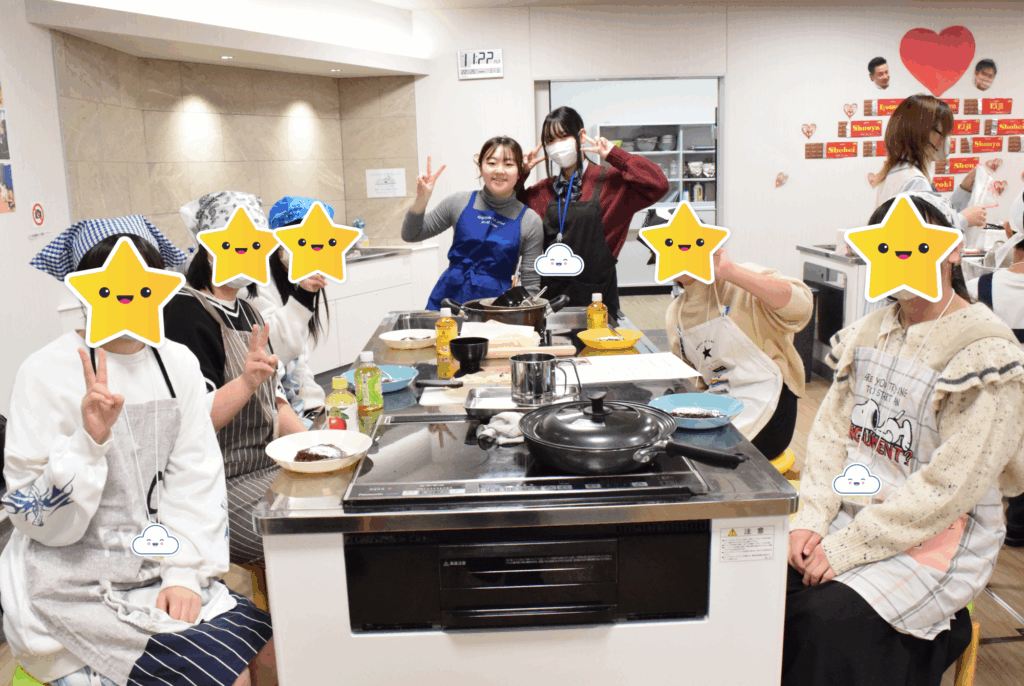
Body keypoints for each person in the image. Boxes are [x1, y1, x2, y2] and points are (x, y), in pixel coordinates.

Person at [12, 221, 276, 686]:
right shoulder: (44, 372)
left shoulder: (177, 363)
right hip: (67, 581)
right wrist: (88, 442)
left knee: (260, 656)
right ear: (84, 290)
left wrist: (182, 574)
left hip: (159, 564)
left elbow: (195, 476)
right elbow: (31, 514)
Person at [783, 194, 1024, 685]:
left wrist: (849, 548)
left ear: (952, 249)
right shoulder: (871, 331)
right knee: (761, 589)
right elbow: (829, 435)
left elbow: (952, 486)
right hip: (851, 514)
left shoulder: (984, 350)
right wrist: (811, 519)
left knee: (823, 626)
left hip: (936, 540)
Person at [166, 191, 306, 567]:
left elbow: (276, 401)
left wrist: (317, 449)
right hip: (215, 485)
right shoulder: (183, 313)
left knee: (334, 505)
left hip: (267, 466)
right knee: (305, 536)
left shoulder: (249, 311)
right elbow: (192, 423)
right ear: (210, 250)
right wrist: (245, 383)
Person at [518, 106, 669, 318]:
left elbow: (659, 184)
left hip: (598, 299)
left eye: (563, 136)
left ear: (581, 136)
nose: (557, 145)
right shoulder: (542, 190)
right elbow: (512, 212)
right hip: (551, 299)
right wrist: (522, 173)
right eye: (550, 140)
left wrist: (616, 156)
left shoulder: (612, 183)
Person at [666, 249, 812, 460]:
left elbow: (801, 308)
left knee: (696, 454)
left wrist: (731, 272)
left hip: (770, 406)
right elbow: (693, 382)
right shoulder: (675, 314)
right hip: (719, 402)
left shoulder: (741, 281)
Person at [403, 136, 543, 309]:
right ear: (480, 167)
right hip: (447, 302)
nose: (499, 170)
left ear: (519, 171)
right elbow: (411, 235)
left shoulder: (530, 220)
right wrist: (421, 200)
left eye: (508, 164)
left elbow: (531, 285)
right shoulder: (458, 202)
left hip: (496, 309)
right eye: (491, 163)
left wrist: (526, 316)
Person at [242, 195, 333, 427]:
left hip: (290, 400)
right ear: (279, 241)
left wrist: (314, 404)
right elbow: (277, 352)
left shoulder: (294, 279)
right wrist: (304, 295)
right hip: (263, 405)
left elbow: (298, 360)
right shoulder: (254, 285)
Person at [872, 94, 988, 232]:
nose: (946, 139)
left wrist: (964, 189)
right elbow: (924, 233)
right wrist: (964, 219)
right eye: (943, 132)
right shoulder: (915, 181)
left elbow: (938, 214)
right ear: (923, 133)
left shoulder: (898, 171)